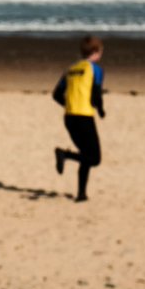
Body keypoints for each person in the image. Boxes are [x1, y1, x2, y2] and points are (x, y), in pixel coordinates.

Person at [52, 36, 105, 202]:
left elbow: (56, 95)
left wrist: (69, 105)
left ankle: (81, 193)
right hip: (84, 117)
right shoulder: (95, 69)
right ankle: (64, 155)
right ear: (96, 52)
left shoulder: (70, 69)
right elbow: (96, 93)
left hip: (69, 118)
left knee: (85, 154)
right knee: (95, 158)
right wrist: (101, 109)